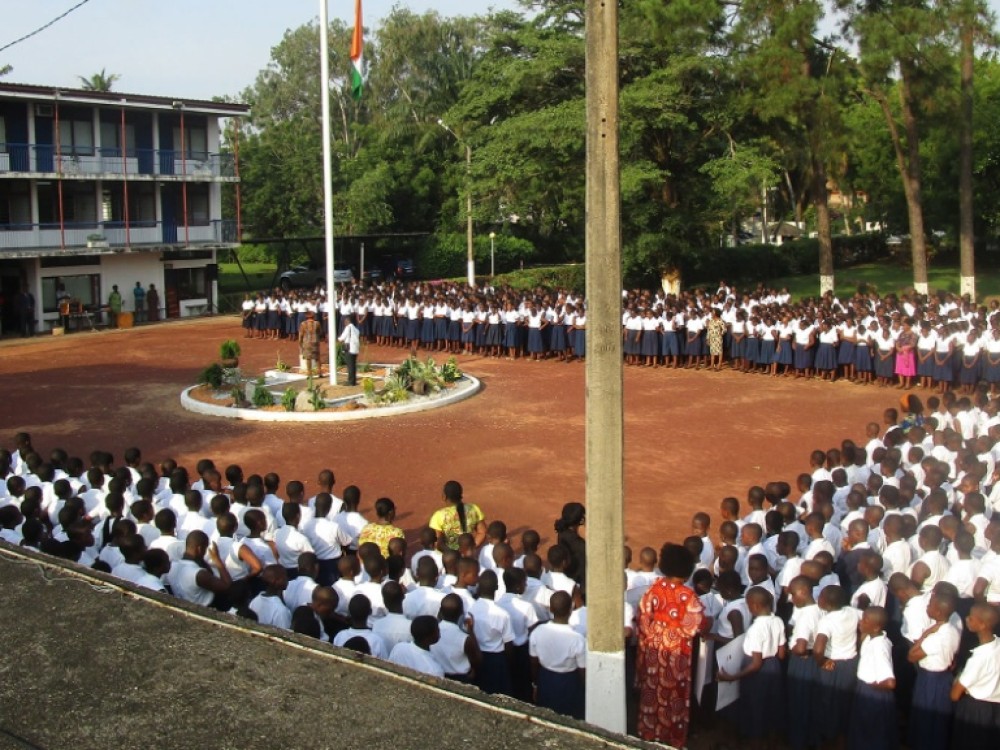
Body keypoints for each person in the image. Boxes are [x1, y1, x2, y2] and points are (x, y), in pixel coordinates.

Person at [635, 543, 706, 747]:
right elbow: (695, 625)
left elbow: (643, 618)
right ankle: (671, 738)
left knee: (652, 688)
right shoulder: (688, 596)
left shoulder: (653, 589)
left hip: (654, 647)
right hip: (677, 652)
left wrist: (653, 636)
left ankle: (649, 732)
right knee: (675, 694)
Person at [717, 587, 786, 745]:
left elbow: (756, 663)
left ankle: (755, 743)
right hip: (774, 666)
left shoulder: (755, 629)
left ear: (754, 606)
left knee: (755, 710)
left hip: (757, 672)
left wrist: (731, 677)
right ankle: (771, 742)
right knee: (771, 707)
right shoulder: (778, 620)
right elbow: (781, 654)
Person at [528, 589, 586, 719]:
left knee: (546, 717)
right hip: (569, 682)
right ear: (571, 610)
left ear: (551, 609)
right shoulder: (577, 638)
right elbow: (582, 670)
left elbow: (533, 662)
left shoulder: (537, 632)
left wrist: (535, 684)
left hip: (545, 679)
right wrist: (584, 689)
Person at [949, 602, 1000, 747]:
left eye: (970, 618)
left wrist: (957, 677)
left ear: (982, 625)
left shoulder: (978, 658)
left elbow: (954, 694)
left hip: (975, 709)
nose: (966, 619)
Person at [848, 606, 897, 750]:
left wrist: (870, 686)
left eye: (865, 620)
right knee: (862, 729)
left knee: (872, 733)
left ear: (876, 627)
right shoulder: (871, 638)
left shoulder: (879, 647)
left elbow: (889, 683)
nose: (860, 622)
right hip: (865, 690)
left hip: (873, 694)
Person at [429, 480, 486, 550]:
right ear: (461, 494)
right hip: (467, 556)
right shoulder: (474, 508)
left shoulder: (438, 516)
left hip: (448, 558)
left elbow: (436, 541)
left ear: (444, 496)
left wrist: (452, 554)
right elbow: (482, 532)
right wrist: (470, 548)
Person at [554, 501, 586, 590]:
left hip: (570, 577)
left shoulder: (562, 532)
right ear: (580, 520)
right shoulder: (579, 544)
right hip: (579, 582)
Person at [337, 313, 361, 386]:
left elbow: (342, 338)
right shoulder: (356, 329)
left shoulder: (348, 328)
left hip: (349, 349)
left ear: (348, 321)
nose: (344, 322)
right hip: (355, 349)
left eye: (345, 321)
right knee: (353, 365)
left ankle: (350, 382)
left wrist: (336, 339)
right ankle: (353, 381)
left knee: (350, 366)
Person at [298, 309, 321, 376]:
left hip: (307, 343)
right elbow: (320, 332)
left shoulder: (303, 324)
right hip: (315, 343)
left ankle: (309, 372)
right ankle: (319, 372)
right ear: (313, 317)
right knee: (317, 358)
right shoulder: (317, 323)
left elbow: (301, 335)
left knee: (308, 359)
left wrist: (300, 344)